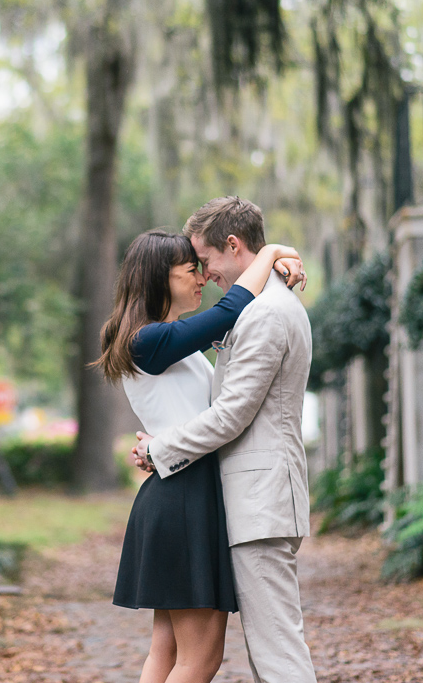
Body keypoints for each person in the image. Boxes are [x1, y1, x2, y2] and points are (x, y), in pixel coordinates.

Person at [95, 227, 306, 683]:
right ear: (157, 278)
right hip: (185, 498)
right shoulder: (147, 341)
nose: (202, 279)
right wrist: (269, 253)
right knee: (200, 660)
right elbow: (232, 309)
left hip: (178, 491)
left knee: (167, 654)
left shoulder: (166, 340)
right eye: (190, 270)